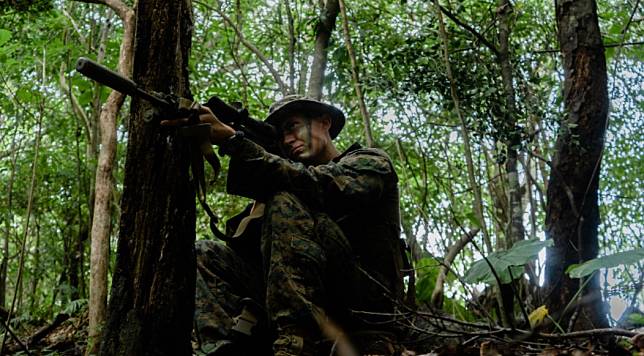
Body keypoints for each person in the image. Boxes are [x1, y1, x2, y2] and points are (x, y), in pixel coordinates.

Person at [172, 95, 408, 355]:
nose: (287, 140)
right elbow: (248, 249)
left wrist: (233, 141)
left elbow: (319, 185)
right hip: (305, 299)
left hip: (364, 305)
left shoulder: (370, 161)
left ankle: (296, 344)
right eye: (281, 135)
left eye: (292, 126)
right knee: (205, 253)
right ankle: (220, 349)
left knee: (285, 197)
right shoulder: (288, 188)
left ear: (324, 122)